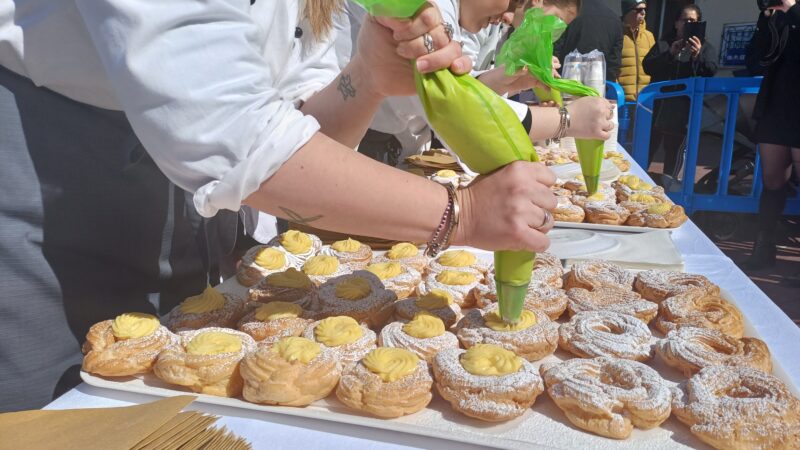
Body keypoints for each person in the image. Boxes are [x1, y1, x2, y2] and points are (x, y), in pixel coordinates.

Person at [0, 1, 569, 412]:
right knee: (62, 407)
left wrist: (365, 78)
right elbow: (234, 134)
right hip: (56, 174)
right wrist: (462, 213)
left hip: (194, 202)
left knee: (178, 398)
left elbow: (298, 132)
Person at [342, 0, 614, 167]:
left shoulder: (458, 15)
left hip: (382, 145)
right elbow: (455, 106)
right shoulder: (430, 8)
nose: (510, 10)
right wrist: (566, 120)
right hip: (360, 148)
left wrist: (507, 78)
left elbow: (459, 90)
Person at [743, 0, 800, 270]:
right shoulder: (773, 15)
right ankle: (763, 248)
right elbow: (755, 61)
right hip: (776, 106)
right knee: (772, 180)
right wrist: (766, 22)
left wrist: (792, 10)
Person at [643, 4, 717, 178]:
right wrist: (669, 53)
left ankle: (669, 187)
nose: (688, 23)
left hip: (684, 111)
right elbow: (648, 66)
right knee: (647, 148)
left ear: (699, 24)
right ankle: (639, 182)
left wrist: (697, 55)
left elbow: (711, 71)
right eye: (685, 20)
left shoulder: (706, 47)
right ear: (676, 23)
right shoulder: (663, 44)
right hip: (657, 108)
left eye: (693, 21)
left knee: (674, 151)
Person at [553, 0, 624, 82]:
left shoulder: (568, 13)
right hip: (598, 83)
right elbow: (615, 61)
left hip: (568, 80)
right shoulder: (614, 18)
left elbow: (556, 47)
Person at [618, 0, 655, 102]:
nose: (643, 13)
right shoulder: (616, 34)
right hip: (622, 101)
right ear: (627, 12)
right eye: (639, 9)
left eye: (644, 9)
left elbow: (654, 67)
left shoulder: (649, 36)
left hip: (645, 100)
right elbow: (611, 67)